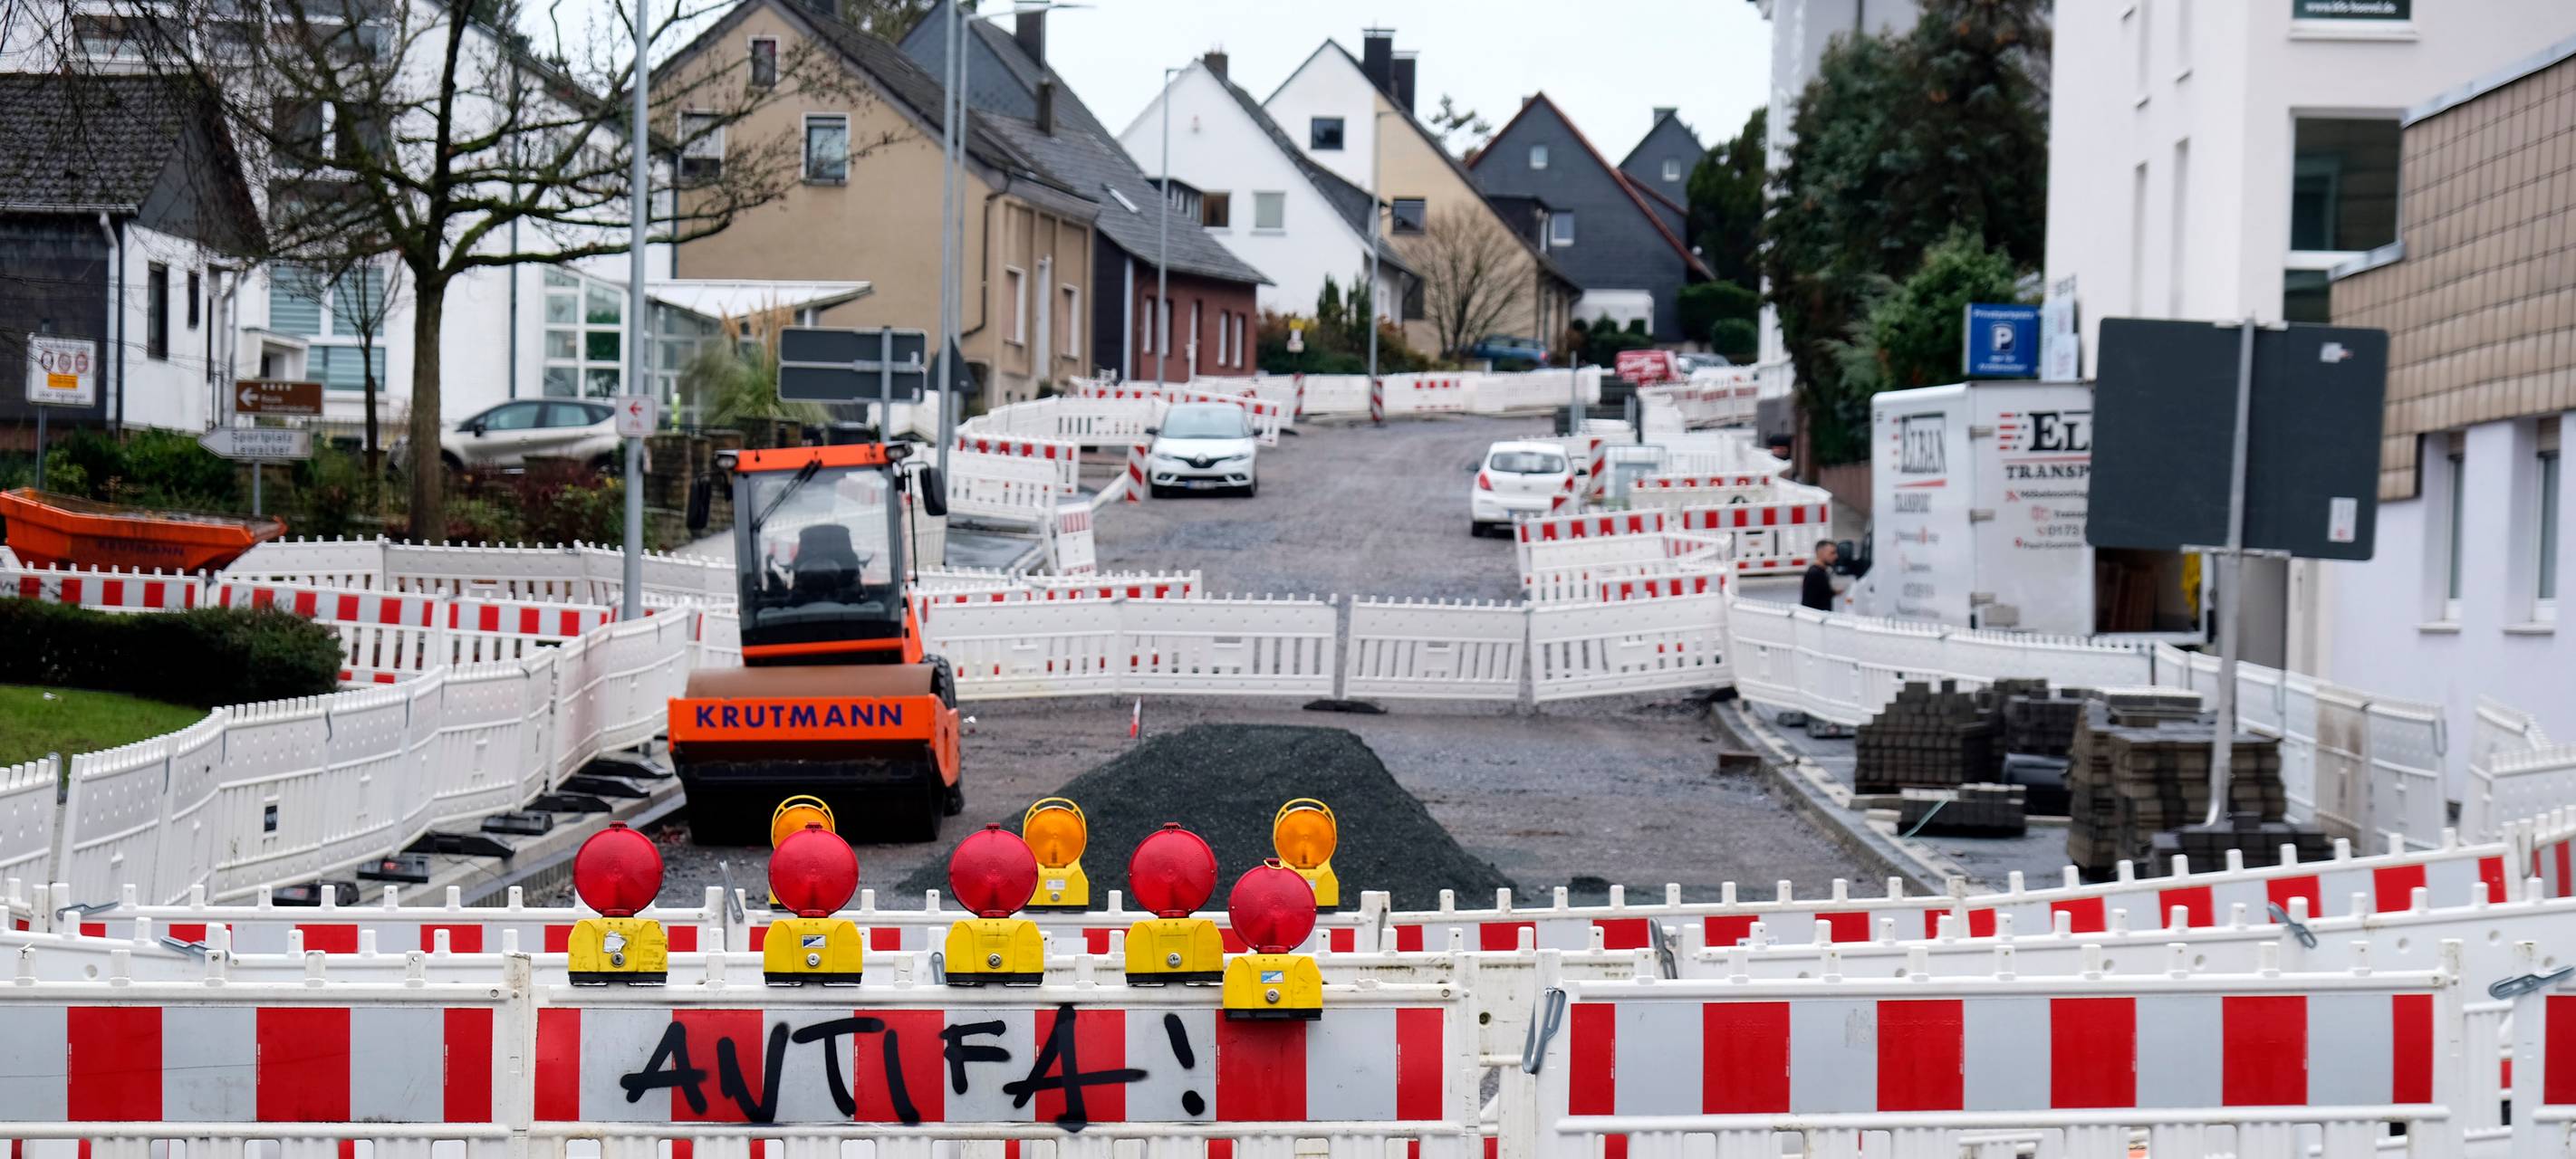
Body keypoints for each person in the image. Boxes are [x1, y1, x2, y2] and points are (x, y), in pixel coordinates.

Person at [1801, 539, 1840, 611]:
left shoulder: (1821, 571)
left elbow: (1823, 593)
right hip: (1816, 616)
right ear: (1821, 553)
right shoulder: (1815, 574)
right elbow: (1809, 602)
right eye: (1832, 553)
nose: (1836, 556)